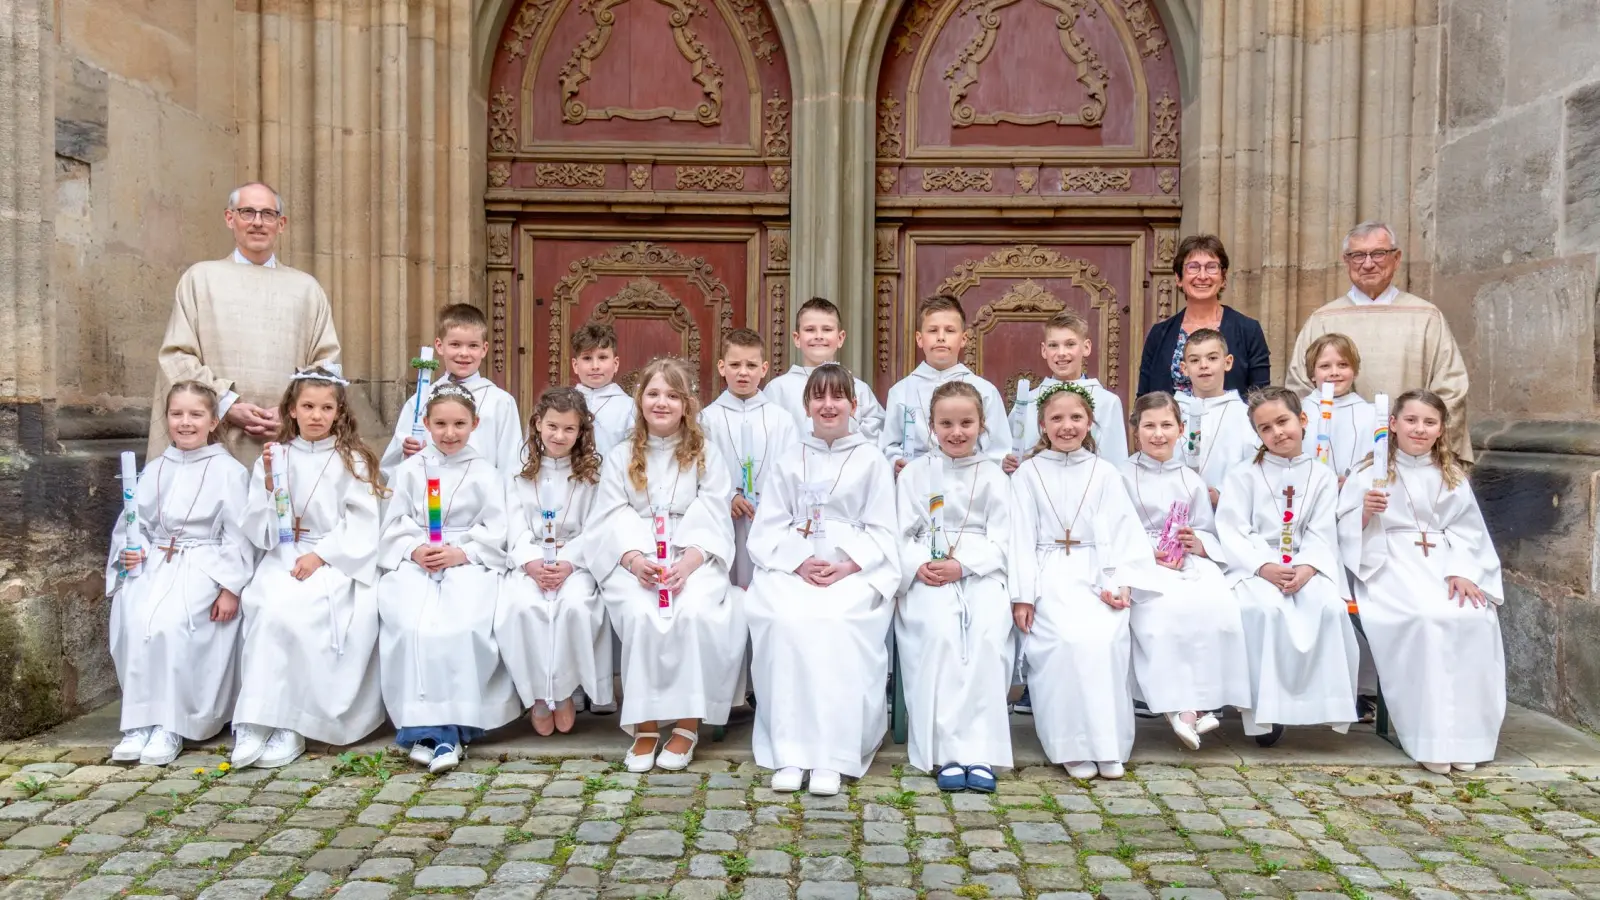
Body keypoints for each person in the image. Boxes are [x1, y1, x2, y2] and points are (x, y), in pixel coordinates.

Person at [745, 365, 900, 796]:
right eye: (819, 397)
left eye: (837, 397)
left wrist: (849, 565)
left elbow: (884, 529)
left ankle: (834, 752)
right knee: (787, 621)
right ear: (806, 405)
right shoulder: (789, 458)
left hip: (853, 571)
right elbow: (767, 528)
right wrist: (797, 563)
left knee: (834, 623)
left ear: (854, 404)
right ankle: (791, 750)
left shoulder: (871, 459)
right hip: (794, 565)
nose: (828, 406)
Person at [588, 357, 745, 773]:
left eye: (672, 395)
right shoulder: (621, 455)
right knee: (642, 614)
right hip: (637, 558)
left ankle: (687, 724)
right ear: (640, 400)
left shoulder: (705, 453)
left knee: (691, 612)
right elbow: (609, 514)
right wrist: (635, 560)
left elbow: (713, 509)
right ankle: (645, 725)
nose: (662, 403)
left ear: (687, 404)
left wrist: (689, 562)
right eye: (653, 394)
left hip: (693, 555)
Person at [1338, 390, 1504, 774]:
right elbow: (1342, 530)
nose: (1419, 429)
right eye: (1411, 420)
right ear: (1393, 424)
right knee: (1426, 621)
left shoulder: (1452, 476)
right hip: (1388, 565)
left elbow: (1469, 531)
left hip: (1445, 565)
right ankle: (1429, 738)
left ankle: (1467, 740)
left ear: (1441, 429)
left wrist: (1464, 570)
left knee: (1474, 618)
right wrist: (1365, 513)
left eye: (1430, 422)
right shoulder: (1369, 473)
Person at [232, 366, 386, 768]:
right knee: (266, 607)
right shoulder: (275, 457)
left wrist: (321, 556)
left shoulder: (353, 460)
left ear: (339, 412)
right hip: (284, 553)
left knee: (298, 614)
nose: (317, 415)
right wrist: (269, 486)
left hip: (333, 559)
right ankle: (255, 719)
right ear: (291, 410)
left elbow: (362, 522)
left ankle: (292, 723)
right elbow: (257, 527)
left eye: (326, 408)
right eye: (308, 406)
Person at [1009, 383, 1151, 779]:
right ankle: (1070, 745)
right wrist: (1024, 596)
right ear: (1042, 425)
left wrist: (1122, 582)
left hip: (1097, 570)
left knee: (1104, 640)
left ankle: (1108, 745)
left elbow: (1125, 532)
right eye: (1056, 418)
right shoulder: (1027, 474)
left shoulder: (1105, 473)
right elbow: (1019, 536)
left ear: (1090, 423)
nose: (1066, 426)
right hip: (1048, 572)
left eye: (1076, 417)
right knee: (1065, 642)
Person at [106, 382, 253, 766]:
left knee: (172, 624)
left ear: (213, 421)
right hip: (156, 562)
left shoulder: (229, 471)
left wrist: (230, 588)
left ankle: (172, 723)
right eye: (177, 414)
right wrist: (131, 552)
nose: (185, 422)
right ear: (167, 418)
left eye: (195, 414)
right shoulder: (156, 468)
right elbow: (133, 525)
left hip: (204, 565)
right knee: (135, 617)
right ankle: (139, 721)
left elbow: (238, 535)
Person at [378, 383, 521, 773]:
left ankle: (451, 731)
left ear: (475, 424)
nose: (450, 433)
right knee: (413, 625)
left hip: (468, 561)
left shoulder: (487, 473)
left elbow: (497, 528)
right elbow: (393, 523)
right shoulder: (409, 470)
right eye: (440, 424)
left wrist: (463, 552)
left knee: (459, 627)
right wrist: (414, 548)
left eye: (459, 424)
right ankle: (424, 730)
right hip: (419, 561)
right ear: (426, 424)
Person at [149, 182, 341, 465]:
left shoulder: (307, 289)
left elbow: (326, 365)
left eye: (268, 214)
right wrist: (225, 404)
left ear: (281, 224)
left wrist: (291, 411)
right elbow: (176, 356)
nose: (258, 222)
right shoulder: (201, 279)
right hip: (216, 439)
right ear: (230, 218)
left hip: (286, 440)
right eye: (247, 212)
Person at [1215, 387, 1359, 748]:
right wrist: (1263, 566)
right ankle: (1267, 714)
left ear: (1302, 419)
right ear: (1257, 434)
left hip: (1305, 565)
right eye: (1266, 428)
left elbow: (1322, 531)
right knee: (1263, 610)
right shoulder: (1243, 475)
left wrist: (1308, 568)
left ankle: (1317, 706)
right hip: (1254, 567)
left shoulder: (1322, 476)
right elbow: (1233, 529)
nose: (1277, 432)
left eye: (1283, 421)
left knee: (1329, 608)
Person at [894, 382, 1014, 791]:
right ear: (931, 426)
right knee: (940, 631)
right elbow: (899, 533)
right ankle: (943, 750)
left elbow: (1004, 539)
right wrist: (918, 565)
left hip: (980, 572)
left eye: (966, 423)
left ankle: (981, 751)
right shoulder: (915, 474)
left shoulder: (994, 476)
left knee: (986, 636)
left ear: (982, 425)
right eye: (946, 423)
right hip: (928, 572)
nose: (956, 432)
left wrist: (964, 566)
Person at [1120, 393, 1250, 750]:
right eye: (1149, 426)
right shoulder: (1120, 476)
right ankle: (1179, 707)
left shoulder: (1191, 479)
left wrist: (1197, 542)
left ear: (1181, 430)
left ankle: (1205, 701)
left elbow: (1206, 526)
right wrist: (1148, 551)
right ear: (1136, 431)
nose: (1158, 434)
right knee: (1165, 611)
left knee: (1216, 605)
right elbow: (1117, 527)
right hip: (1142, 558)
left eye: (1166, 425)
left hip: (1187, 560)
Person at [1287, 221, 1472, 460]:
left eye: (1378, 254)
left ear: (1396, 258)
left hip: (1413, 455)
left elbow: (1450, 388)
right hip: (1337, 456)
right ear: (1346, 261)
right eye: (1358, 255)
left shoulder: (1426, 317)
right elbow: (1300, 389)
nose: (1367, 263)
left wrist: (1418, 442)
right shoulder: (1322, 319)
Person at [496, 388, 611, 735]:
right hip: (531, 560)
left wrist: (570, 562)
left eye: (569, 429)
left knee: (574, 606)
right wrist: (530, 562)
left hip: (575, 561)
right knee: (523, 607)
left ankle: (563, 693)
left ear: (581, 432)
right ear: (537, 424)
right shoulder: (517, 472)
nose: (559, 436)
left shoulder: (593, 474)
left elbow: (598, 525)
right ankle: (536, 696)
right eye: (552, 426)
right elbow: (512, 523)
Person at [699, 328, 798, 589]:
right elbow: (702, 469)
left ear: (764, 369)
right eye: (735, 365)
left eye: (751, 365)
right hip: (725, 516)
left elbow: (791, 469)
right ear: (721, 367)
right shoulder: (707, 419)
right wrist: (729, 496)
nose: (743, 372)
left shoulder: (781, 419)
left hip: (766, 516)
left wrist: (769, 502)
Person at [380, 304, 523, 479]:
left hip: (480, 493)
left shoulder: (500, 402)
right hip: (430, 491)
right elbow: (392, 468)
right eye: (455, 344)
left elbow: (512, 464)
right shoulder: (421, 400)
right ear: (440, 346)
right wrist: (407, 453)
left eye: (473, 346)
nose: (464, 353)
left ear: (484, 349)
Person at [880, 294, 1010, 470]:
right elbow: (890, 445)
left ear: (964, 339)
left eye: (949, 330)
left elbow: (998, 451)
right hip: (919, 476)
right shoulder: (900, 391)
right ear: (919, 339)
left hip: (971, 477)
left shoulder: (985, 390)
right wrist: (896, 462)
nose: (941, 337)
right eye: (933, 330)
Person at [1137, 234, 1270, 397]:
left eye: (1211, 267)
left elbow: (1261, 398)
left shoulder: (1248, 330)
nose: (1202, 276)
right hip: (1171, 414)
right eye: (1193, 267)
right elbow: (1144, 399)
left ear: (1223, 278)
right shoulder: (1159, 334)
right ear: (1178, 278)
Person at [1005, 311, 1128, 475]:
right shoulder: (1028, 400)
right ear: (1044, 350)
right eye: (1053, 345)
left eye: (1070, 344)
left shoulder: (1107, 402)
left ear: (1086, 347)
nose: (1061, 353)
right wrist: (1007, 462)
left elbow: (1115, 461)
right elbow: (1010, 449)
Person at [764, 297, 886, 440]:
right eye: (810, 329)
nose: (819, 336)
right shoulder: (778, 389)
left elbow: (876, 438)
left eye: (827, 329)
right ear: (797, 338)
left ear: (840, 338)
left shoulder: (859, 389)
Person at [1175, 329, 1257, 498]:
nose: (1203, 365)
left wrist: (1223, 495)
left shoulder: (1244, 416)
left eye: (1212, 358)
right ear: (1184, 368)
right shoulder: (1173, 412)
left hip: (1226, 506)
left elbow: (1253, 465)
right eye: (1194, 360)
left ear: (1227, 362)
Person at [1300, 333, 1377, 481]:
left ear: (1355, 371)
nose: (1334, 373)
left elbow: (1376, 461)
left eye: (1343, 365)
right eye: (1325, 366)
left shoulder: (1370, 414)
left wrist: (1352, 483)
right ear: (1312, 374)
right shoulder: (1300, 412)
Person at [572, 324, 636, 455]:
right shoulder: (564, 403)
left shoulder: (630, 407)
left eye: (602, 357)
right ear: (575, 365)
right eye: (587, 358)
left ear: (615, 364)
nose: (595, 366)